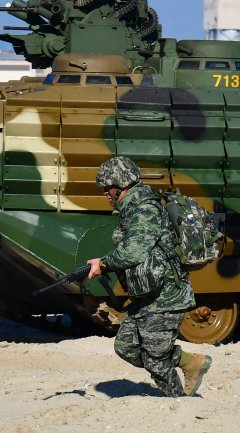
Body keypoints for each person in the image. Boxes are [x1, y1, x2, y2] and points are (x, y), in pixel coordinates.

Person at [86, 156, 210, 397]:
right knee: (126, 346)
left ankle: (179, 401)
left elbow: (133, 251)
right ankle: (188, 361)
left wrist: (103, 263)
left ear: (120, 184)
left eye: (106, 187)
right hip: (147, 296)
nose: (104, 193)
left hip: (166, 297)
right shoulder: (132, 208)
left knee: (155, 359)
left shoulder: (145, 209)